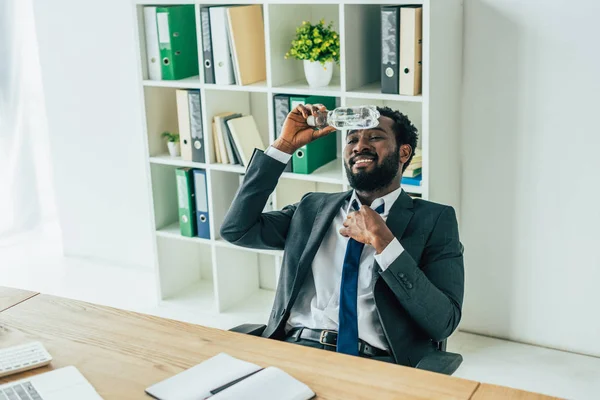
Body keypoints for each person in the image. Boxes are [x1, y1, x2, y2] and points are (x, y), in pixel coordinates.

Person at [220, 104, 464, 367]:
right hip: (294, 350)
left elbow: (443, 322)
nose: (359, 146)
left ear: (403, 152)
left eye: (375, 136)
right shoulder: (313, 208)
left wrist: (386, 244)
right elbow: (237, 229)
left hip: (375, 363)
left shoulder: (434, 219)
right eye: (352, 139)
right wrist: (283, 147)